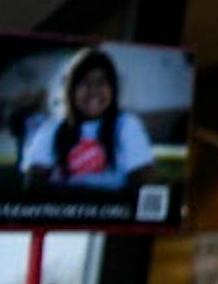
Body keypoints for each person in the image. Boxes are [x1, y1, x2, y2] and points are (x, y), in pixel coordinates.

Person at [21, 47, 154, 191]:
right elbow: (33, 183)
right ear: (71, 90)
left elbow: (143, 182)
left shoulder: (127, 125)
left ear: (113, 89)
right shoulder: (52, 129)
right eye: (85, 83)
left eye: (101, 82)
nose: (93, 91)